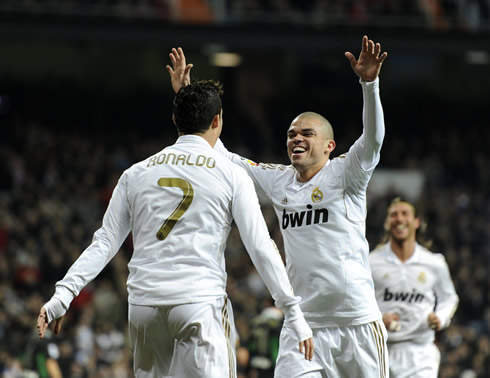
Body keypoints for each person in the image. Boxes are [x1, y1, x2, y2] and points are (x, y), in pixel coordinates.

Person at [37, 79, 314, 377]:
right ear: (217, 120)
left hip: (144, 307)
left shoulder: (135, 173)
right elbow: (260, 246)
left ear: (174, 121)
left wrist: (63, 295)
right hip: (199, 303)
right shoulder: (231, 174)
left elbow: (104, 242)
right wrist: (293, 312)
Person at [167, 35, 389, 377]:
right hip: (304, 324)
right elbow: (224, 159)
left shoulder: (347, 173)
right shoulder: (279, 179)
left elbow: (373, 139)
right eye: (290, 134)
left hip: (356, 321)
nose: (296, 138)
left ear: (330, 145)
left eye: (306, 133)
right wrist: (187, 98)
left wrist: (369, 84)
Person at [369, 197, 459, 378]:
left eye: (405, 213)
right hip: (380, 350)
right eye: (394, 215)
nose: (399, 219)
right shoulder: (371, 262)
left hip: (420, 352)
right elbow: (358, 301)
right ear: (387, 223)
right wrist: (378, 319)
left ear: (417, 222)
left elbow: (449, 298)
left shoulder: (434, 263)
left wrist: (440, 317)